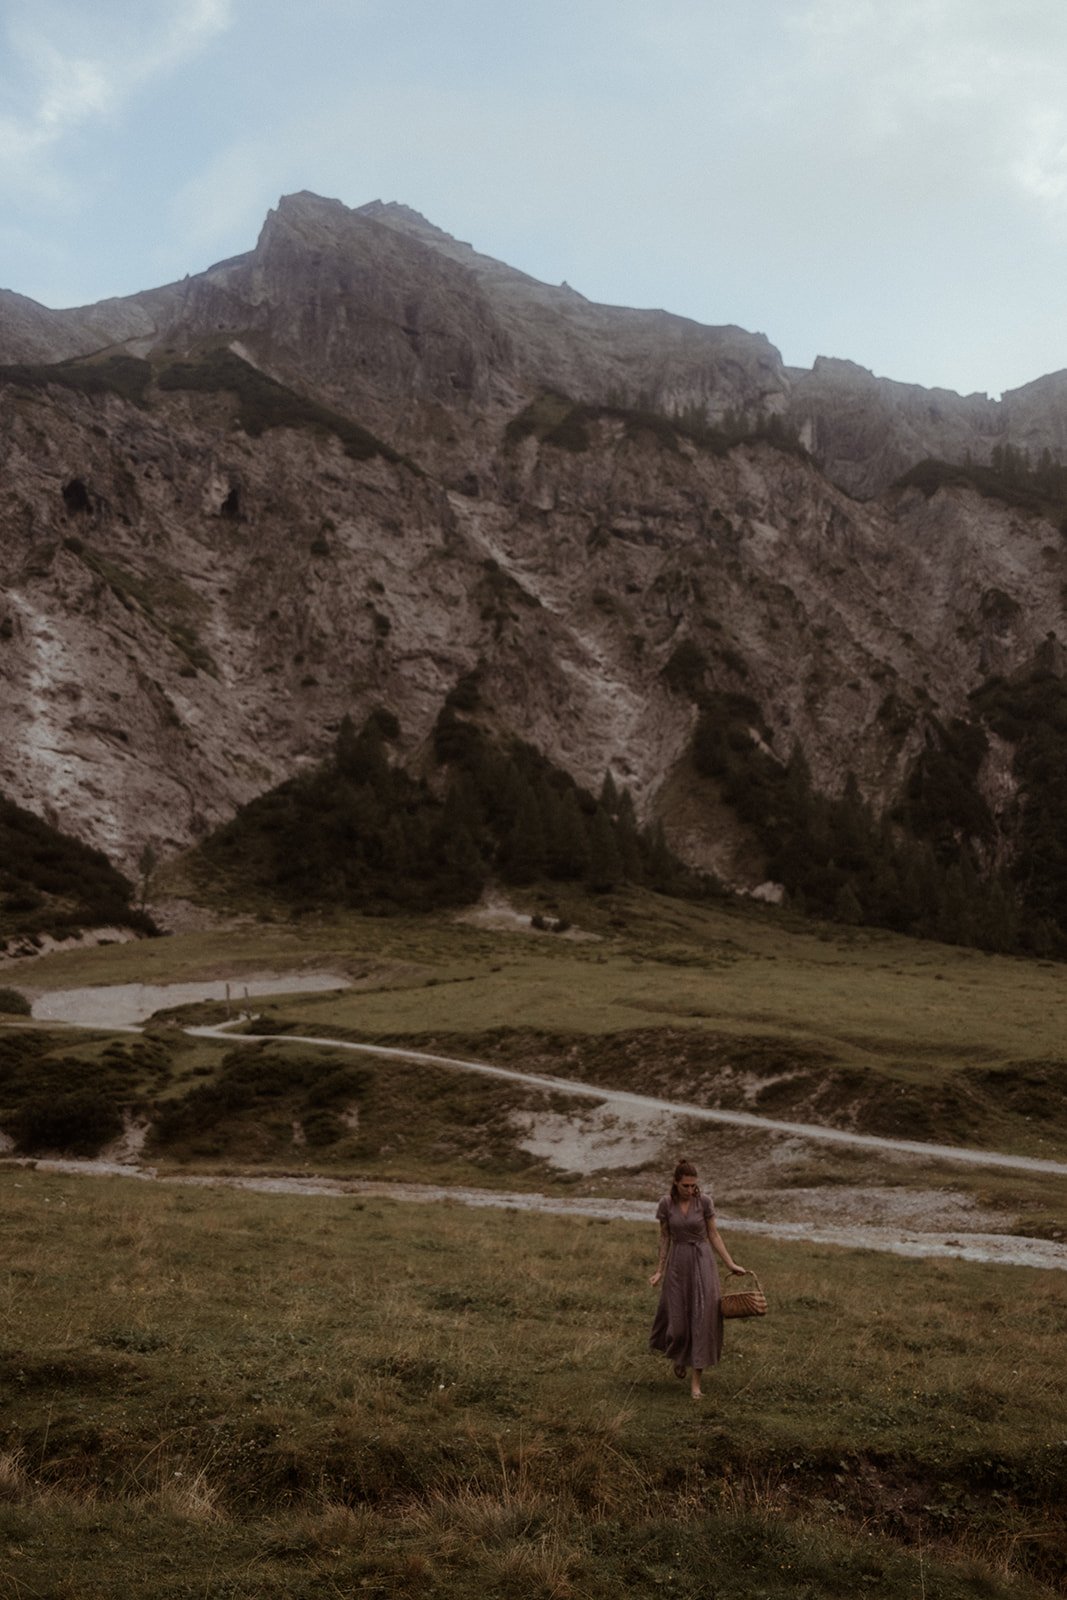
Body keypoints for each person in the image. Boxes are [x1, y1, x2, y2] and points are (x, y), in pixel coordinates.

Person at [649, 1158, 748, 1400]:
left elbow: (713, 1234)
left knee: (703, 1320)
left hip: (702, 1261)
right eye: (686, 1186)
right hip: (678, 1262)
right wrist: (660, 1269)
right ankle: (679, 1355)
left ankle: (696, 1384)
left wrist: (730, 1263)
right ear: (675, 1182)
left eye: (694, 1185)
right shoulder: (666, 1204)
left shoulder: (704, 1202)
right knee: (678, 1324)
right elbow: (665, 1238)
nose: (691, 1190)